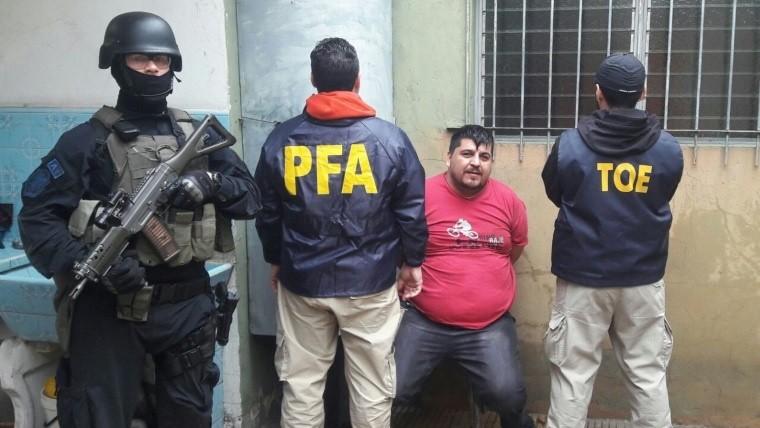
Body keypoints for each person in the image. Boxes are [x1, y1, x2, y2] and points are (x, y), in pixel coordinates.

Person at [18, 12, 260, 428]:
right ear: (117, 64)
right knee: (97, 416)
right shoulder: (85, 142)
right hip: (109, 310)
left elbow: (252, 198)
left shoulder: (197, 136)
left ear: (172, 67)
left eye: (161, 60)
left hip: (187, 307)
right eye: (140, 58)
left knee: (188, 416)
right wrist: (89, 262)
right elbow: (38, 218)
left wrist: (211, 183)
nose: (151, 68)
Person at [254, 37, 427, 428]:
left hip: (303, 283)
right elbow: (412, 211)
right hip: (370, 283)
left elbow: (267, 211)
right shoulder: (390, 140)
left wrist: (276, 259)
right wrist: (412, 263)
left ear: (313, 79)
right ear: (358, 80)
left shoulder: (282, 139)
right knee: (371, 389)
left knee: (302, 386)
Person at [541, 53, 683, 428]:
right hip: (642, 280)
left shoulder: (570, 144)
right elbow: (662, 193)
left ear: (598, 92)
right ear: (643, 92)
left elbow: (556, 192)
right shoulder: (667, 148)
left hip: (582, 279)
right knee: (647, 376)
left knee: (573, 376)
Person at [393, 125, 535, 428]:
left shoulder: (508, 201)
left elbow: (515, 249)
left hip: (489, 325)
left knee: (509, 397)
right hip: (425, 321)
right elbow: (401, 247)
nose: (476, 163)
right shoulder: (421, 196)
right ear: (448, 158)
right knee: (393, 389)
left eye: (484, 157)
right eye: (467, 154)